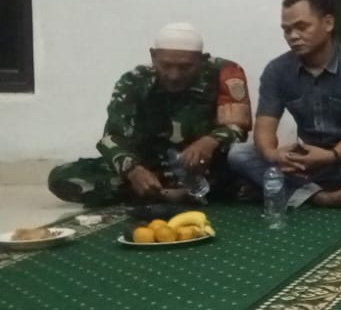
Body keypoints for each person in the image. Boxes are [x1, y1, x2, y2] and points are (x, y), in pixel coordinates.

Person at [47, 23, 251, 206]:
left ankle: (165, 194)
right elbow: (112, 138)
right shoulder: (134, 81)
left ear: (201, 60)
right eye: (166, 65)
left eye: (185, 67)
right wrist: (132, 170)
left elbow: (237, 128)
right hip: (150, 167)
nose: (174, 75)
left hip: (203, 169)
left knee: (247, 173)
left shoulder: (225, 73)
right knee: (63, 178)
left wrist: (210, 141)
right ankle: (168, 193)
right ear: (153, 56)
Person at [227, 0, 341, 209]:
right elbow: (264, 126)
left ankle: (294, 190)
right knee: (238, 154)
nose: (293, 36)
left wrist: (331, 156)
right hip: (305, 163)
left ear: (328, 23)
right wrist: (274, 155)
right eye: (287, 30)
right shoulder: (277, 70)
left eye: (301, 27)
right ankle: (321, 197)